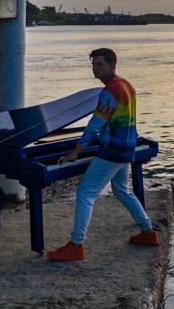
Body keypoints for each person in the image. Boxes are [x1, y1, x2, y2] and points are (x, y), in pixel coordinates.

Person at [47, 48, 159, 262]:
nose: (95, 69)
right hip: (127, 147)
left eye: (100, 64)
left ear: (112, 65)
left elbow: (94, 125)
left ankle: (76, 245)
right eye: (93, 64)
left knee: (85, 194)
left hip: (112, 150)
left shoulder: (109, 91)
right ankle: (148, 232)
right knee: (122, 190)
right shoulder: (127, 86)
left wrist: (76, 152)